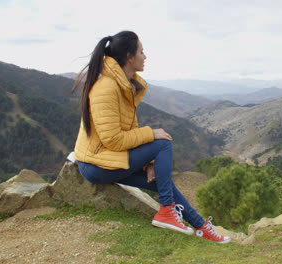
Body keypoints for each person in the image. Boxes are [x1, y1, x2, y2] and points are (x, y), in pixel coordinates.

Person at [72, 31, 230, 244]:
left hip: (108, 160)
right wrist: (151, 134)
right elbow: (113, 140)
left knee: (161, 182)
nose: (145, 57)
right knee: (163, 142)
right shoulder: (107, 87)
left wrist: (147, 163)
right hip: (96, 165)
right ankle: (166, 212)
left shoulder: (123, 84)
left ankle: (201, 227)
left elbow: (128, 131)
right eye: (141, 52)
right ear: (129, 57)